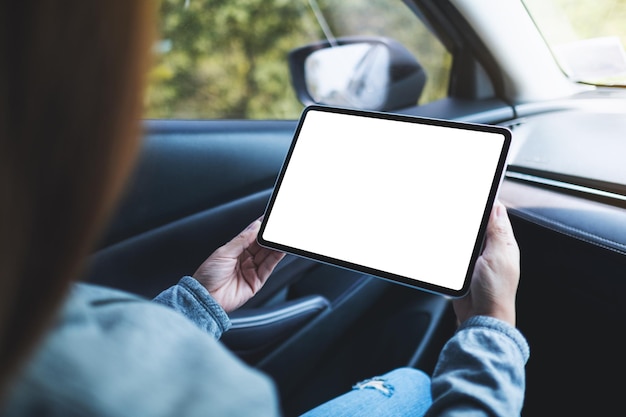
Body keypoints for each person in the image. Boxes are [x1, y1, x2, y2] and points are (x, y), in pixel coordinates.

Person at [0, 2, 529, 416]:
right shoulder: (209, 398)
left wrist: (196, 303)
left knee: (413, 384)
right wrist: (491, 327)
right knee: (418, 388)